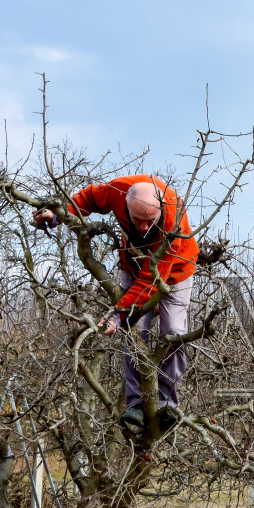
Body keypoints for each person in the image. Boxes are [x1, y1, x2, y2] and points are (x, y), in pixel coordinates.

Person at [33, 176, 197, 434]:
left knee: (174, 333)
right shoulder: (118, 190)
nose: (143, 227)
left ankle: (167, 403)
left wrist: (118, 314)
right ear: (126, 205)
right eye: (137, 220)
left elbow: (151, 281)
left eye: (149, 221)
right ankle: (135, 405)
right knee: (133, 333)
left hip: (175, 270)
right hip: (132, 264)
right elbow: (87, 198)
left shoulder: (172, 218)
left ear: (161, 211)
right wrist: (56, 216)